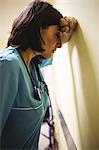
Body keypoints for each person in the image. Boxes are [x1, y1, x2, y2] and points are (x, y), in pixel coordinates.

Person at [0, 0, 78, 149]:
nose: (60, 43)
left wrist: (68, 28)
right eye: (56, 35)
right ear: (39, 28)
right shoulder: (7, 65)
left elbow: (63, 41)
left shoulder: (34, 63)